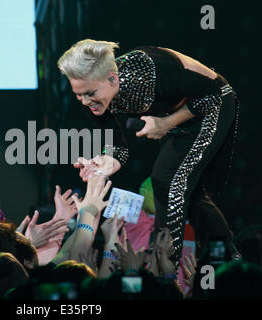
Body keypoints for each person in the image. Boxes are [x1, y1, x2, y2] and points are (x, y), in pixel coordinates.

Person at [57, 39, 241, 265]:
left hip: (213, 105)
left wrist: (166, 123)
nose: (85, 102)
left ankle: (164, 266)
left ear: (112, 79)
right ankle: (225, 257)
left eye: (90, 93)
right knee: (188, 191)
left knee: (167, 180)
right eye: (78, 95)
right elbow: (118, 147)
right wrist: (108, 160)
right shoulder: (93, 95)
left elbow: (217, 94)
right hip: (178, 115)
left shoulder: (150, 73)